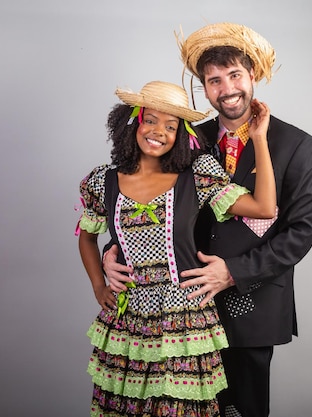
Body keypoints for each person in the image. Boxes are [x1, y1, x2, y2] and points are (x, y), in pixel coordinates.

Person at [104, 23, 312, 417]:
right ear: (202, 89)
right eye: (214, 80)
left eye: (235, 76)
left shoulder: (295, 144)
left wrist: (233, 272)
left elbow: (302, 230)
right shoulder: (185, 138)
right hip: (181, 307)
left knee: (246, 408)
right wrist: (111, 251)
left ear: (252, 75)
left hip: (252, 301)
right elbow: (143, 203)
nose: (227, 89)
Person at [77, 80, 276, 417]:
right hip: (128, 318)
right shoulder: (104, 181)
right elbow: (86, 235)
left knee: (177, 409)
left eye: (171, 126)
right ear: (132, 122)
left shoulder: (196, 175)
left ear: (181, 135)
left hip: (182, 316)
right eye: (150, 120)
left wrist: (259, 139)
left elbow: (264, 208)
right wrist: (98, 284)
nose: (159, 132)